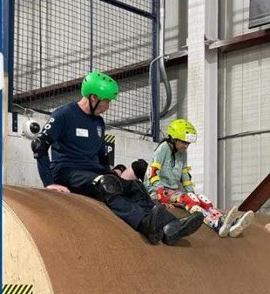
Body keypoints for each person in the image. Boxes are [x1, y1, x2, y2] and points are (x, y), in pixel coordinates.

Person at [31, 71, 204, 245]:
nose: (108, 106)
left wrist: (109, 170)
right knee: (108, 184)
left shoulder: (98, 122)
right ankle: (144, 224)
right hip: (68, 171)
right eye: (106, 100)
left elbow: (101, 152)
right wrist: (49, 183)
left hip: (93, 172)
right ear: (93, 97)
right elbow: (39, 146)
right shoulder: (64, 114)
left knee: (135, 186)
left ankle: (171, 225)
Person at [145, 119, 255, 238]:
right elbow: (153, 172)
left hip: (172, 191)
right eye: (184, 142)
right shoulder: (163, 148)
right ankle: (216, 224)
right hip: (157, 191)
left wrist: (192, 194)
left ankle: (226, 222)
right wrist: (161, 194)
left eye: (188, 143)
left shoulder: (182, 153)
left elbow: (185, 176)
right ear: (173, 138)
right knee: (189, 200)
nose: (186, 146)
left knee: (201, 198)